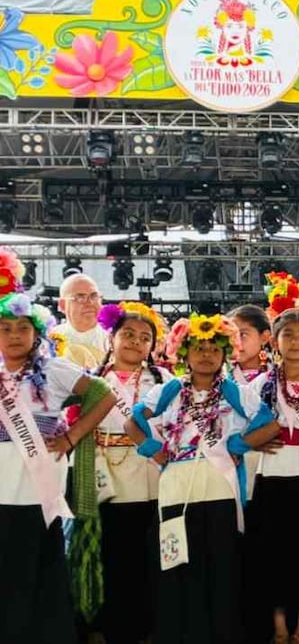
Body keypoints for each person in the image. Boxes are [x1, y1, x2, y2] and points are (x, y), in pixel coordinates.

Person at [126, 312, 278, 644]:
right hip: (176, 485)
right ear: (184, 354)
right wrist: (153, 448)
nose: (206, 355)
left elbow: (270, 423)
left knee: (221, 565)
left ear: (225, 354)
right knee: (176, 561)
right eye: (198, 348)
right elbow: (133, 422)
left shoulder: (235, 391)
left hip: (219, 484)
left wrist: (239, 444)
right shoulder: (169, 390)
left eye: (213, 349)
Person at [0, 257, 117, 644]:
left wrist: (70, 438)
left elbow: (103, 394)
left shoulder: (53, 370)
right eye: (4, 329)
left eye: (22, 328)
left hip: (38, 485)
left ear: (38, 333)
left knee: (41, 564)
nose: (14, 335)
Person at [245, 302, 299, 644]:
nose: (296, 341)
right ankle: (279, 624)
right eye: (288, 335)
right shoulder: (262, 384)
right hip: (274, 476)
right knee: (274, 553)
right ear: (274, 341)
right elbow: (240, 429)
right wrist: (256, 443)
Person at [94, 301, 173, 644]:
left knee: (150, 553)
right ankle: (116, 627)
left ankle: (150, 626)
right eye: (128, 334)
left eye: (144, 337)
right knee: (115, 554)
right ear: (112, 338)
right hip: (108, 474)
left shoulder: (164, 379)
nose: (135, 342)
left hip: (151, 472)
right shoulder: (93, 380)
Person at [52, 272, 111, 368]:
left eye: (94, 296)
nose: (89, 303)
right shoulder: (50, 340)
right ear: (62, 305)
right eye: (80, 298)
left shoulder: (113, 339)